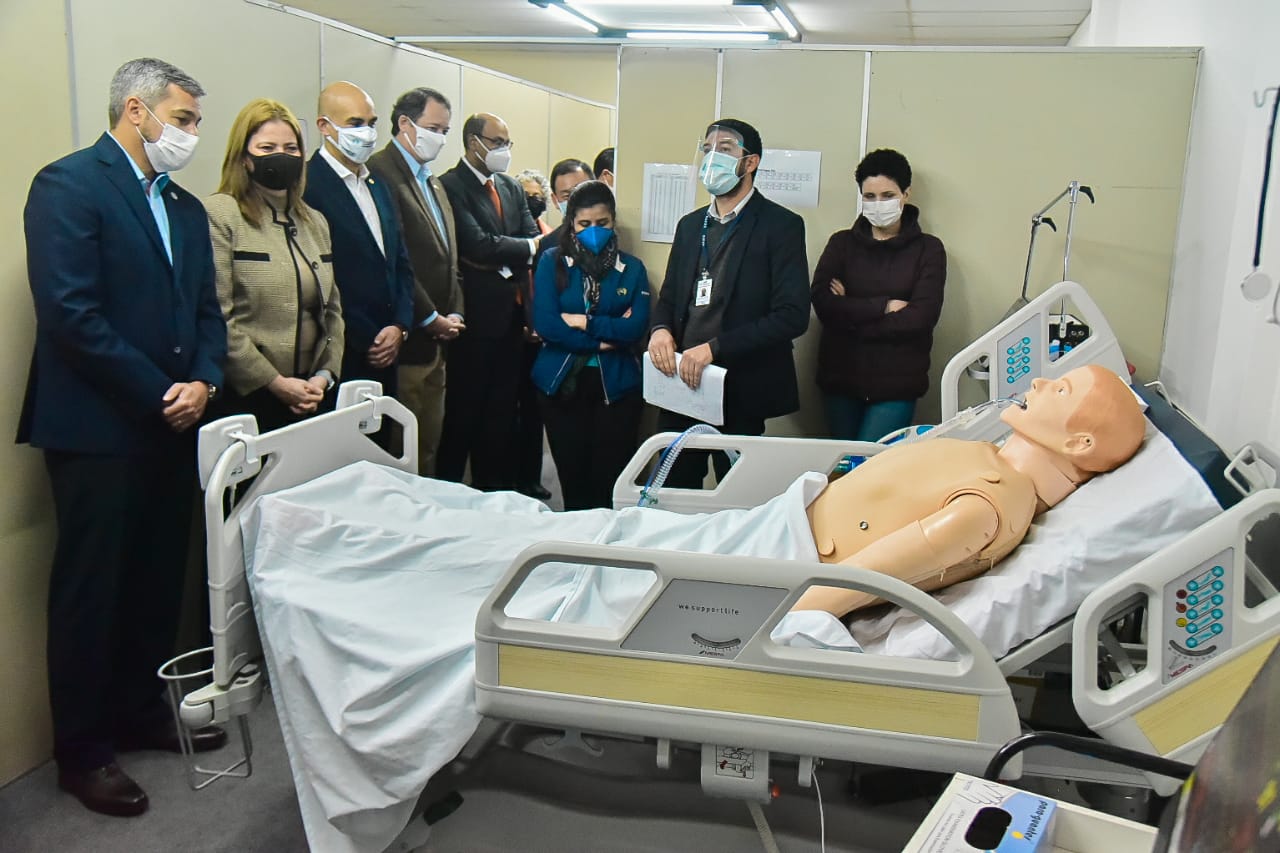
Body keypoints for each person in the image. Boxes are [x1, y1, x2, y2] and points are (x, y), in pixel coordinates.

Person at [16, 57, 228, 817]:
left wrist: (203, 381)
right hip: (99, 427)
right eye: (183, 118)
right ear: (135, 111)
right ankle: (84, 749)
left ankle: (142, 710)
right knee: (92, 589)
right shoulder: (68, 185)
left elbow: (208, 310)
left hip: (177, 423)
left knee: (154, 578)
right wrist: (158, 392)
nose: (192, 133)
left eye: (196, 120)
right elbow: (72, 313)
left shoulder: (186, 207)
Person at [795, 365, 1145, 617]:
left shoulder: (992, 506)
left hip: (788, 555)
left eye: (1061, 390)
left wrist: (761, 623)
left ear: (1079, 443)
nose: (1039, 381)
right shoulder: (993, 464)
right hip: (787, 527)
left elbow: (855, 582)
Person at [647, 118, 810, 487]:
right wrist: (659, 331)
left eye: (723, 150)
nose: (711, 159)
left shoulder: (780, 226)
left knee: (734, 496)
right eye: (707, 149)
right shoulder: (690, 226)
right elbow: (671, 296)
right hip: (681, 383)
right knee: (672, 491)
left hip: (740, 383)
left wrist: (714, 348)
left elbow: (792, 316)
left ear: (749, 162)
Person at [206, 98, 344, 433]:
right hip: (250, 395)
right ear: (245, 158)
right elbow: (218, 316)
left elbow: (332, 311)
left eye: (291, 147)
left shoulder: (315, 221)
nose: (281, 155)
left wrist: (325, 376)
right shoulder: (221, 215)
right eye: (267, 147)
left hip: (313, 392)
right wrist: (275, 382)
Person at [811, 148, 947, 442]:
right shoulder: (841, 244)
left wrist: (849, 309)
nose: (878, 204)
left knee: (870, 468)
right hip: (840, 380)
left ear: (906, 194)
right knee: (842, 469)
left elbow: (921, 318)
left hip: (897, 385)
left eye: (887, 195)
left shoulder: (929, 249)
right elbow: (823, 304)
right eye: (870, 197)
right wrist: (886, 306)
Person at [437, 113, 541, 491]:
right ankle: (448, 488)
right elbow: (476, 244)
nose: (503, 151)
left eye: (507, 143)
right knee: (464, 411)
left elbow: (534, 238)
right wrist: (521, 248)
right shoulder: (449, 186)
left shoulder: (511, 188)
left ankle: (492, 488)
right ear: (472, 142)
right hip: (474, 317)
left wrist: (514, 249)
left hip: (512, 316)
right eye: (496, 142)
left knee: (501, 410)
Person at [531, 180, 651, 509]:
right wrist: (602, 343)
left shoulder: (632, 269)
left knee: (609, 482)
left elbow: (635, 328)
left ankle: (605, 553)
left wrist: (584, 322)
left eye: (602, 223)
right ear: (572, 223)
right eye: (584, 224)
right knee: (573, 480)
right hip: (562, 384)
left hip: (615, 388)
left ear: (613, 222)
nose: (594, 231)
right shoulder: (551, 261)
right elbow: (547, 324)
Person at [368, 87, 465, 475]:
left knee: (429, 442)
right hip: (409, 337)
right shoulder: (381, 173)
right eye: (433, 128)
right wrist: (429, 318)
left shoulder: (433, 181)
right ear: (404, 123)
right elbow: (398, 260)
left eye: (445, 130)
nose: (440, 138)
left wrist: (455, 311)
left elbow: (448, 254)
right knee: (401, 447)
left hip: (441, 338)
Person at [304, 81, 414, 398]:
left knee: (382, 442)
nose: (366, 132)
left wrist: (400, 326)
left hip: (391, 343)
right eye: (355, 124)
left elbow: (400, 261)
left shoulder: (378, 183)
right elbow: (323, 276)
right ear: (325, 126)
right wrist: (369, 337)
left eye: (371, 123)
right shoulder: (308, 186)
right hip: (342, 349)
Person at [537, 157, 595, 262]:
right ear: (555, 200)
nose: (575, 199)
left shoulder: (611, 234)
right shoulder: (548, 245)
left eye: (582, 191)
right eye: (567, 195)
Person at [516, 168, 553, 236]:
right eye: (525, 195)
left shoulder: (550, 235)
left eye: (536, 196)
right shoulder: (503, 230)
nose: (530, 198)